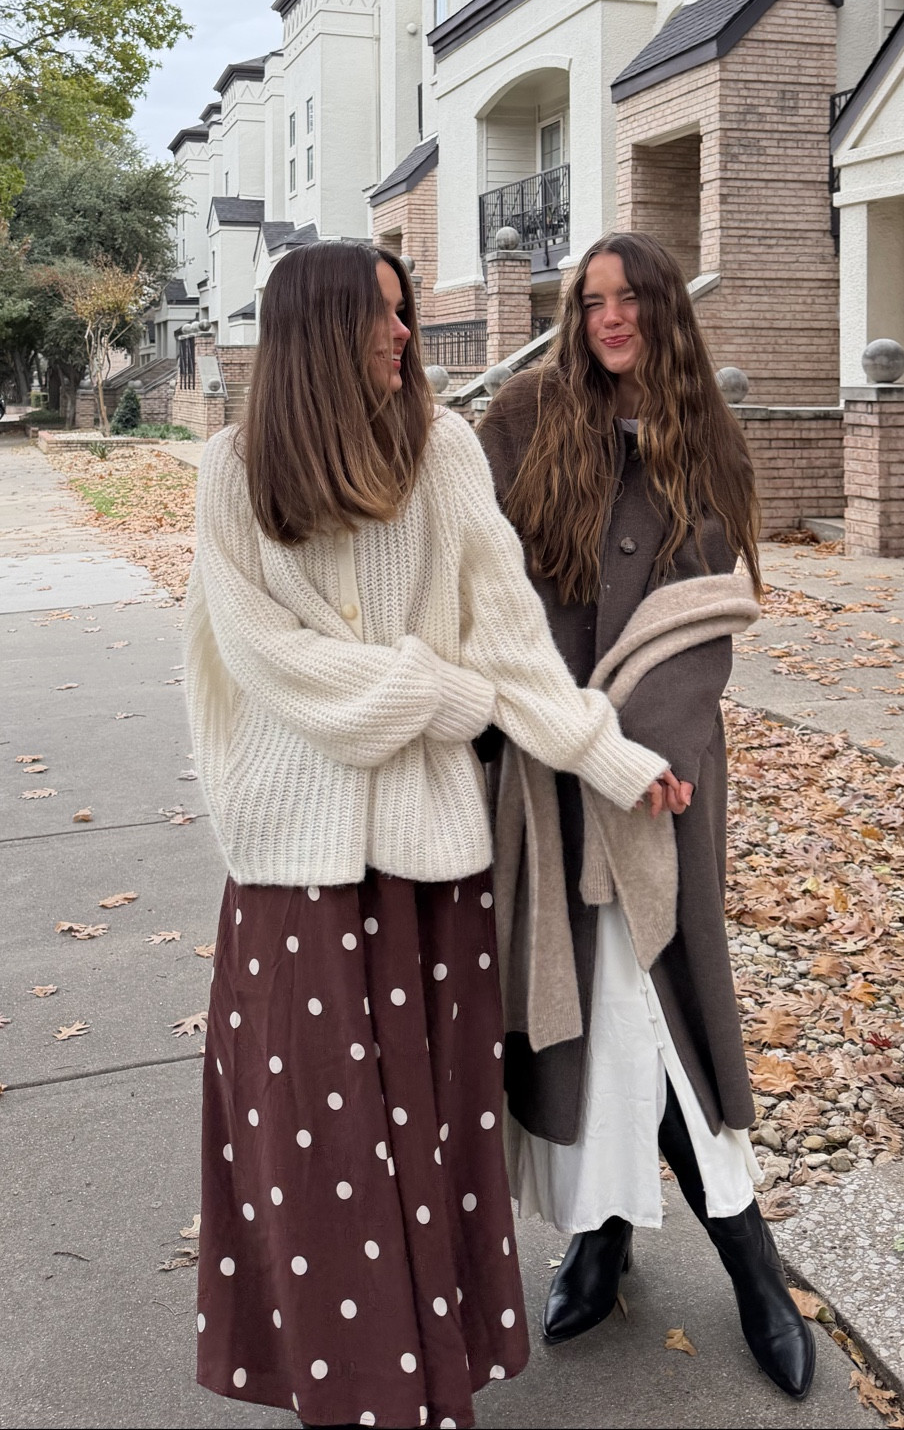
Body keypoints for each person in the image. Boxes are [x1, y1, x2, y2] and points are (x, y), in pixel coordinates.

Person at [183, 240, 673, 1430]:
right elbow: (271, 659)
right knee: (318, 1152)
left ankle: (425, 1383)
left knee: (430, 1134)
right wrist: (439, 698)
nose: (407, 336)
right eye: (385, 319)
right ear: (319, 333)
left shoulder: (444, 452)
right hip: (293, 869)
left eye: (405, 314)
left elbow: (507, 637)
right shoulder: (232, 474)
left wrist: (610, 752)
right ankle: (354, 1392)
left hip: (428, 867)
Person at [477, 229, 816, 1400]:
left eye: (628, 298)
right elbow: (480, 577)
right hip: (548, 769)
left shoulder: (702, 433)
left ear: (664, 309)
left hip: (659, 773)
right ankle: (602, 1233)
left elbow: (708, 611)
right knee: (586, 1014)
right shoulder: (521, 417)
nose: (609, 316)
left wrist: (640, 750)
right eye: (591, 299)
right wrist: (546, 728)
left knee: (665, 1008)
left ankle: (752, 1261)